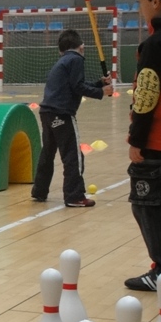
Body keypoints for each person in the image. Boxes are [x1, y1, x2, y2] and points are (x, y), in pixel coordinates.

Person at [125, 0, 161, 291]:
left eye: (141, 1)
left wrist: (136, 139)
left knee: (150, 207)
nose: (140, 8)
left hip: (158, 143)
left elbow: (146, 94)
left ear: (154, 1)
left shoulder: (156, 44)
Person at [30, 29, 112, 209]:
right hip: (62, 113)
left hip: (47, 113)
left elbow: (76, 84)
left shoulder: (64, 61)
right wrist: (101, 92)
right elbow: (77, 87)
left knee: (48, 153)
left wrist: (99, 84)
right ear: (81, 46)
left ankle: (39, 190)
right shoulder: (76, 59)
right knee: (73, 155)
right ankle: (74, 196)